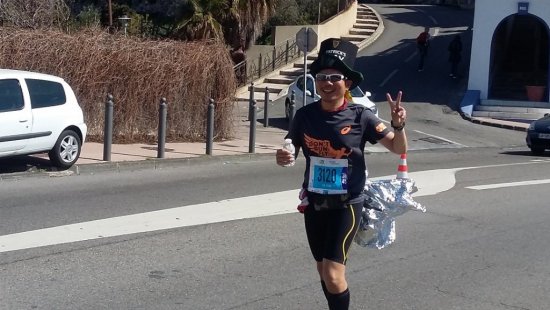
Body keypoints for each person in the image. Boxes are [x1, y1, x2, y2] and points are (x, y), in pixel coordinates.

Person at [275, 38, 408, 310]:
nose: (327, 82)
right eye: (322, 76)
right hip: (314, 201)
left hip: (347, 203)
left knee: (334, 275)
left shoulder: (362, 116)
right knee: (323, 270)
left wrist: (399, 124)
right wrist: (284, 156)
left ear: (347, 83)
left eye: (335, 76)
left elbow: (397, 147)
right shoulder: (304, 115)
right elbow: (291, 150)